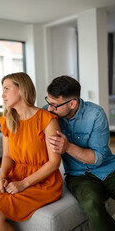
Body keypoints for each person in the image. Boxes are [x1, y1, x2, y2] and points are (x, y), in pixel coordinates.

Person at [0, 72, 63, 231]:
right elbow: (7, 156)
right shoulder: (7, 121)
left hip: (43, 182)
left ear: (22, 90)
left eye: (7, 88)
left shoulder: (47, 120)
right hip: (17, 174)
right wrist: (1, 177)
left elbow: (55, 162)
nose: (2, 94)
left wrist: (23, 184)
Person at [44, 75, 115, 231]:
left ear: (72, 103)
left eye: (54, 105)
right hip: (78, 176)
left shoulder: (95, 114)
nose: (49, 108)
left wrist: (68, 147)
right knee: (91, 205)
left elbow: (98, 158)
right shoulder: (47, 113)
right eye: (48, 102)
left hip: (108, 168)